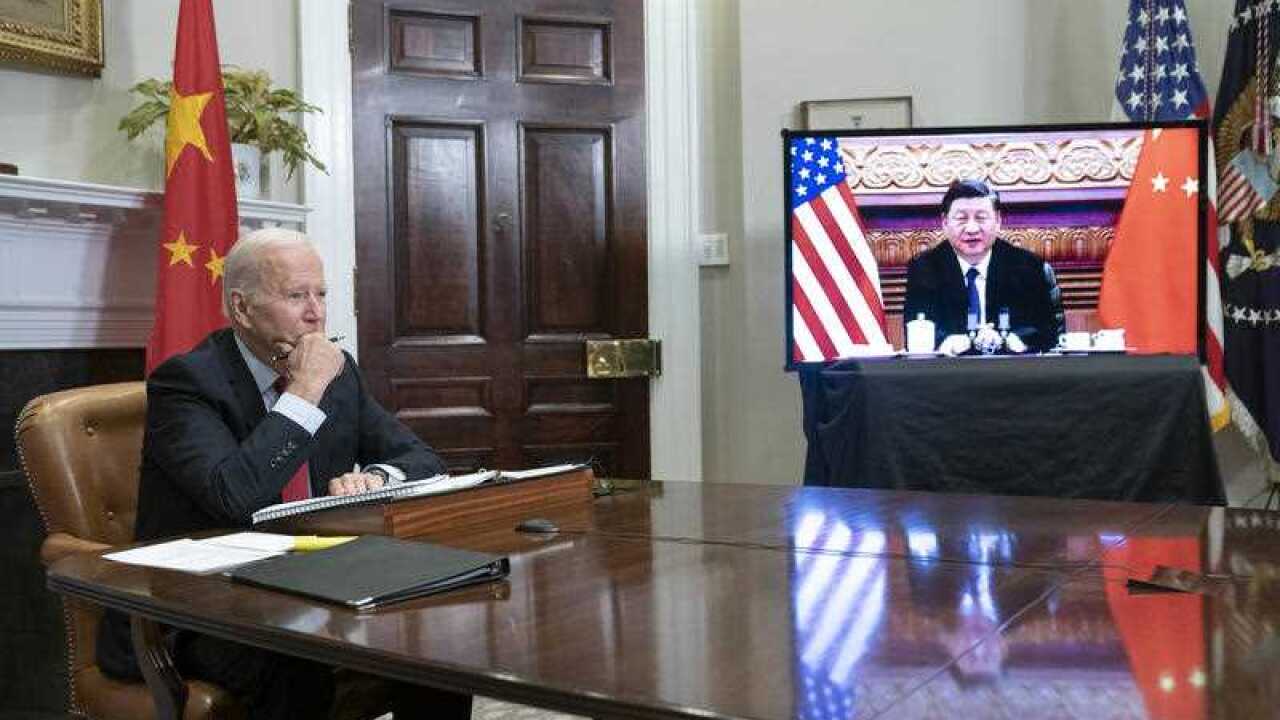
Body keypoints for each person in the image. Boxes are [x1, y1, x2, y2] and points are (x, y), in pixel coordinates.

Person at [97, 227, 469, 719]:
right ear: (242, 307)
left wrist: (376, 478)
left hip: (313, 583)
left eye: (321, 295)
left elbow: (423, 460)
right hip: (196, 607)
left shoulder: (339, 374)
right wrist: (305, 391)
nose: (315, 313)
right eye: (296, 296)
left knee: (435, 630)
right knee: (294, 658)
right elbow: (235, 497)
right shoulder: (187, 383)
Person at [903, 179, 1065, 354]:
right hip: (950, 368)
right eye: (961, 219)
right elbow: (917, 329)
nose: (972, 228)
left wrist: (1010, 340)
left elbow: (1048, 331)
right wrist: (949, 342)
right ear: (945, 222)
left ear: (998, 220)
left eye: (981, 218)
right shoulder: (925, 269)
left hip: (1013, 368)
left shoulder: (1028, 267)